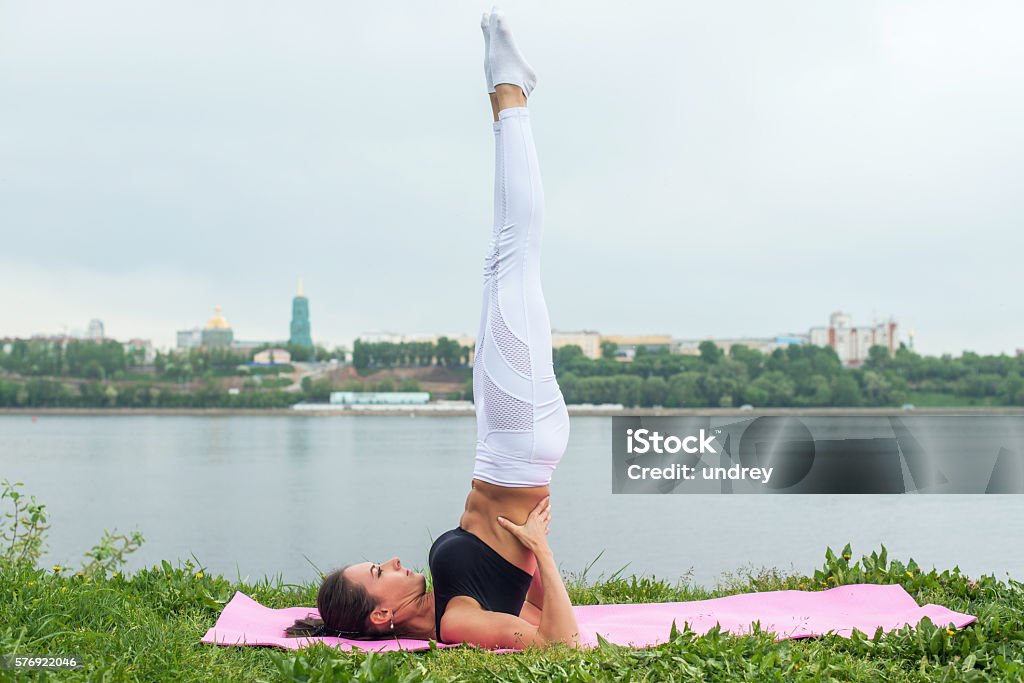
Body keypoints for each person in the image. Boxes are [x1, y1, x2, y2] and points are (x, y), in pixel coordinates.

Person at [287, 7, 579, 649]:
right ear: (381, 616)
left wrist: (531, 557)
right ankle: (509, 91)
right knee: (514, 253)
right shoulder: (455, 623)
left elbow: (526, 609)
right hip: (519, 440)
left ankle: (508, 94)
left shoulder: (447, 598)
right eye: (379, 573)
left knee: (501, 258)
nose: (392, 562)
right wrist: (542, 551)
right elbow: (563, 646)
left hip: (505, 443)